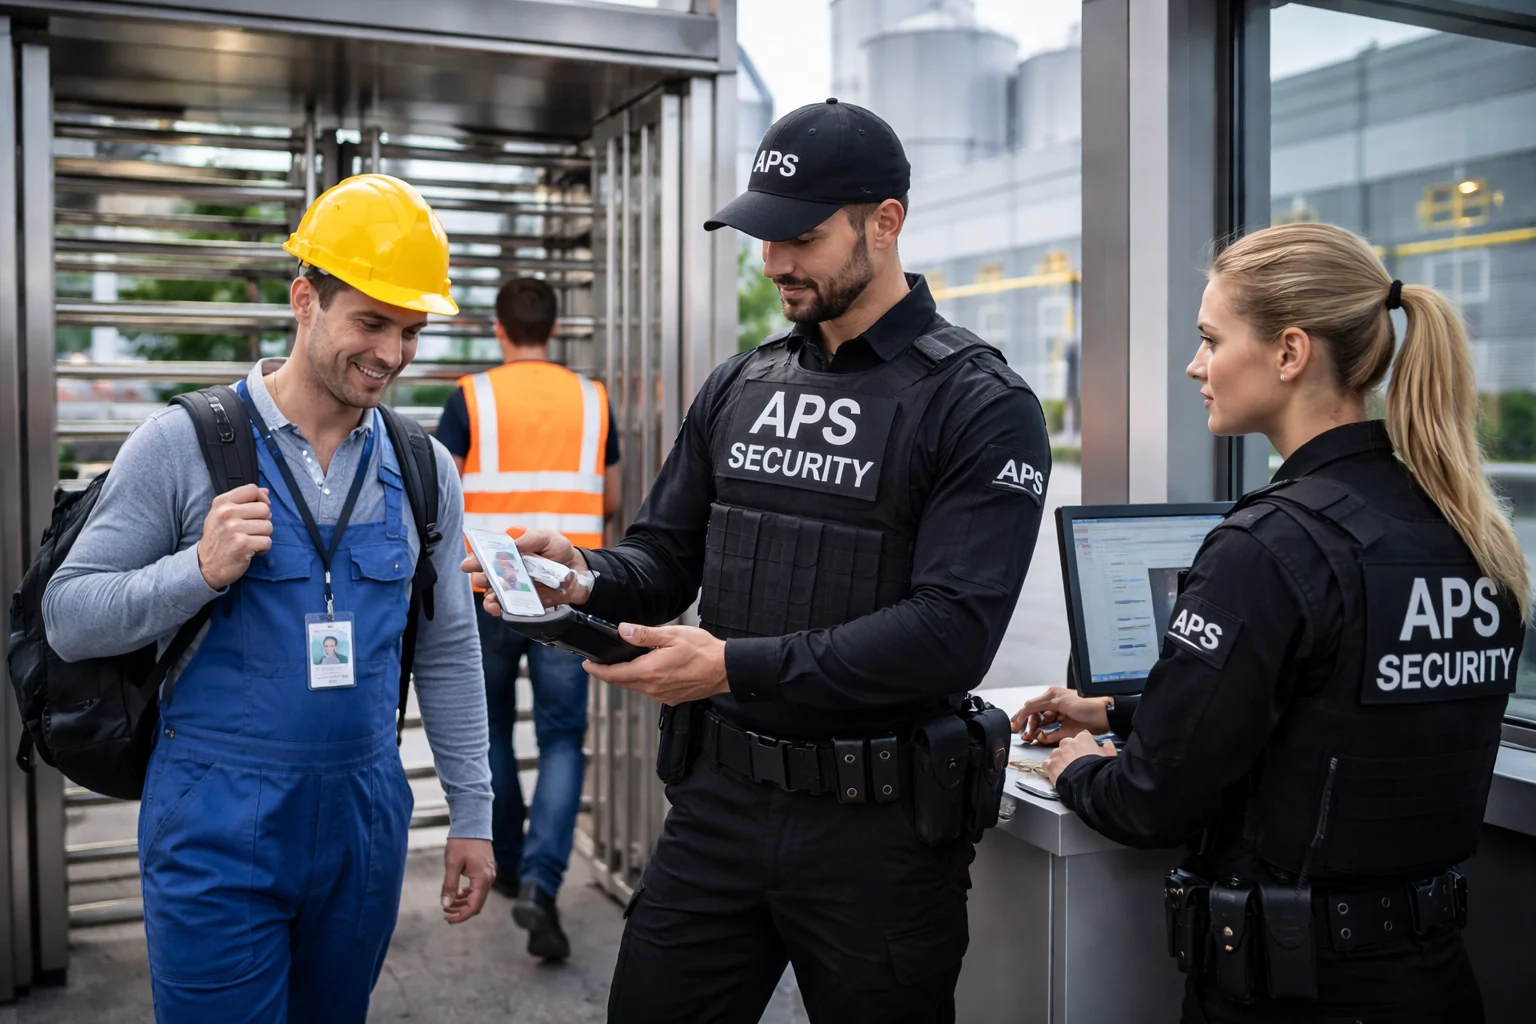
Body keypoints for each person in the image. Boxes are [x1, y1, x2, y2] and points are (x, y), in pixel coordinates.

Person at [464, 99, 1052, 1021]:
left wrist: (729, 665)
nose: (773, 261)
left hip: (882, 836)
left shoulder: (979, 405)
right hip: (717, 812)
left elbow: (951, 634)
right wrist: (580, 572)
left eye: (800, 237)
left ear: (885, 222)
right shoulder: (742, 383)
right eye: (761, 236)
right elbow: (664, 556)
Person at [1016, 222, 1528, 1023]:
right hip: (1432, 983)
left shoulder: (1271, 547)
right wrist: (1117, 712)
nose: (1196, 366)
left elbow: (1151, 801)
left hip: (1292, 992)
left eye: (1210, 339)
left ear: (1290, 353)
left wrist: (1077, 762)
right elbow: (1334, 714)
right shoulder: (1467, 533)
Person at [43, 174, 496, 1024]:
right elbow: (69, 615)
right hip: (215, 822)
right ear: (304, 300)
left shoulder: (424, 466)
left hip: (363, 823)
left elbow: (448, 647)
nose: (393, 356)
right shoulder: (185, 442)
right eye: (371, 322)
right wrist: (198, 570)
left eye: (411, 331)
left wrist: (472, 812)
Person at [436, 275, 622, 960]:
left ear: (499, 328)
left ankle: (509, 862)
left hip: (487, 587)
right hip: (565, 593)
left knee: (488, 729)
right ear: (554, 327)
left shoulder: (472, 397)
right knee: (565, 736)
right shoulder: (592, 399)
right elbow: (612, 502)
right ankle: (543, 883)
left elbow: (441, 495)